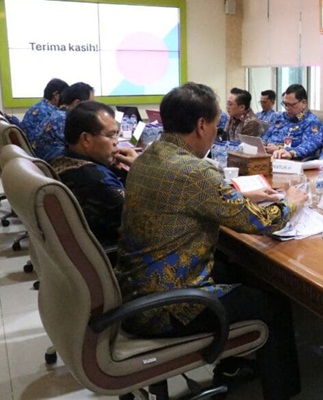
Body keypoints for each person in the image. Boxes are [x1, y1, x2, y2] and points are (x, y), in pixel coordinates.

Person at [115, 82, 306, 400]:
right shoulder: (194, 171)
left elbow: (190, 197)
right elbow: (258, 222)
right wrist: (294, 201)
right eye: (216, 125)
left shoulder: (147, 157)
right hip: (168, 305)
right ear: (202, 125)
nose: (216, 132)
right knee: (272, 304)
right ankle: (283, 393)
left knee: (244, 273)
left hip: (135, 288)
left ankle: (235, 365)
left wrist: (245, 193)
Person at [50, 101, 137, 248]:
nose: (116, 142)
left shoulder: (57, 156)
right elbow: (146, 218)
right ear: (85, 139)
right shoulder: (98, 181)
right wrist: (140, 168)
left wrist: (115, 168)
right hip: (121, 257)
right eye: (111, 136)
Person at [33, 82, 94, 161]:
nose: (93, 109)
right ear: (77, 103)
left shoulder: (56, 114)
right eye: (91, 104)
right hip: (54, 165)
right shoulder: (65, 119)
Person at [260, 84, 321, 153]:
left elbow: (307, 146)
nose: (287, 108)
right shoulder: (281, 117)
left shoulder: (311, 122)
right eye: (285, 104)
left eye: (291, 105)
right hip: (267, 153)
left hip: (286, 158)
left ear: (304, 103)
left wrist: (280, 149)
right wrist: (263, 143)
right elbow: (267, 134)